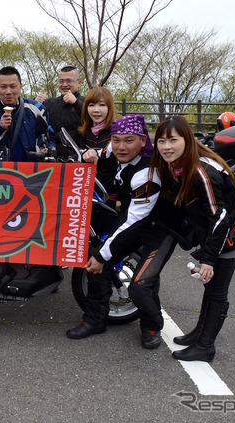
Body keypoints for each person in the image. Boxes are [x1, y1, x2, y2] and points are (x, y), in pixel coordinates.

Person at [67, 115, 178, 350]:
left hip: (160, 231)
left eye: (129, 141)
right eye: (116, 140)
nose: (121, 146)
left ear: (142, 141)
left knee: (140, 284)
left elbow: (132, 221)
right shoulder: (114, 151)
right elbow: (100, 155)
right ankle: (95, 320)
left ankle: (151, 326)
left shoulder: (146, 174)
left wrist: (103, 255)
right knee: (95, 259)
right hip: (134, 220)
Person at [150, 116, 235, 362]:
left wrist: (208, 259)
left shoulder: (200, 171)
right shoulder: (179, 165)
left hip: (230, 234)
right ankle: (200, 333)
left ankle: (206, 345)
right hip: (217, 235)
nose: (166, 146)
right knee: (211, 287)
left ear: (186, 139)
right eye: (162, 141)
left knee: (218, 291)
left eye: (173, 140)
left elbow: (219, 217)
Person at [0, 66, 56, 161]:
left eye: (13, 86)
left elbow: (50, 137)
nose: (8, 92)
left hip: (30, 170)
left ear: (20, 86)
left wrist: (47, 149)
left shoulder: (37, 108)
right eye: (3, 87)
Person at [35, 66, 85, 145]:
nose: (64, 85)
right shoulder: (49, 103)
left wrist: (76, 103)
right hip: (53, 153)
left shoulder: (88, 103)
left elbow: (94, 122)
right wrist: (36, 105)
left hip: (80, 153)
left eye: (69, 81)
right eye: (61, 81)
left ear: (79, 83)